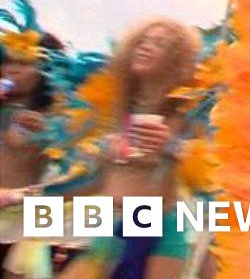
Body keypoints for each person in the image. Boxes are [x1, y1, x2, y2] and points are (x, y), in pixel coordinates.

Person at [60, 19, 199, 279]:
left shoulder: (188, 112)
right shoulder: (114, 110)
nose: (145, 48)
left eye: (160, 44)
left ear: (177, 60)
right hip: (110, 227)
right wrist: (29, 197)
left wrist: (172, 146)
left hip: (160, 228)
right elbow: (93, 182)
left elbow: (210, 173)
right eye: (143, 41)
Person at [1, 0, 65, 278]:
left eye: (26, 63)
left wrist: (50, 133)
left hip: (18, 225)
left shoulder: (56, 116)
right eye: (9, 61)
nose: (14, 69)